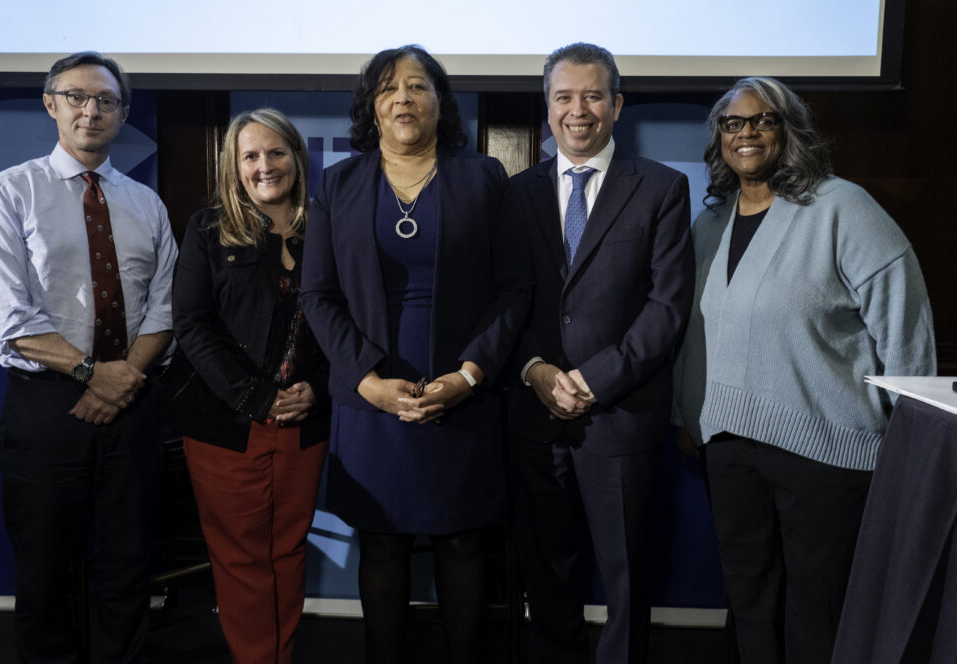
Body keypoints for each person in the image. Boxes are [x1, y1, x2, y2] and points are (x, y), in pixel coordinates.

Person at [672, 76, 935, 664]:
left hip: (826, 453)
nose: (746, 133)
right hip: (727, 449)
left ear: (789, 131)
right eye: (732, 123)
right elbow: (691, 332)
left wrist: (913, 431)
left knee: (818, 610)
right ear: (719, 138)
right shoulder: (708, 225)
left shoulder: (842, 206)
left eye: (762, 120)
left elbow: (903, 320)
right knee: (748, 600)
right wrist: (682, 413)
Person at [299, 45, 531, 664]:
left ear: (439, 102)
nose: (403, 98)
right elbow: (317, 295)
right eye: (387, 88)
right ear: (371, 106)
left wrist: (470, 375)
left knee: (461, 543)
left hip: (462, 391)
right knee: (380, 546)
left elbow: (513, 289)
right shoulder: (338, 184)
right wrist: (366, 380)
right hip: (370, 394)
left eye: (418, 86)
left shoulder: (483, 177)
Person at [0, 51, 177, 662]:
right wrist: (92, 373)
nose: (91, 110)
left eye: (106, 100)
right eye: (77, 96)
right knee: (45, 575)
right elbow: (7, 315)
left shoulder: (147, 204)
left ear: (122, 113)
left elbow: (164, 311)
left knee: (128, 568)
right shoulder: (9, 191)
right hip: (46, 407)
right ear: (51, 104)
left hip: (132, 403)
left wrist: (120, 381)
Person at [506, 42, 694, 664]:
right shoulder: (516, 192)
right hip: (535, 418)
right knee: (547, 576)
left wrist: (590, 381)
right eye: (564, 97)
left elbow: (666, 309)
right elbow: (505, 300)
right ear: (547, 109)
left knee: (627, 581)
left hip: (620, 415)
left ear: (616, 105)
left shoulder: (663, 188)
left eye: (592, 96)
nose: (577, 110)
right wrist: (536, 370)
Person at [169, 108, 329, 664]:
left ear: (297, 157)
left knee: (287, 552)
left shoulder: (329, 228)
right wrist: (254, 397)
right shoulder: (208, 230)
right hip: (227, 425)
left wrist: (319, 388)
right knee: (241, 559)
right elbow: (191, 325)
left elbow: (348, 322)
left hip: (305, 423)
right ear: (233, 167)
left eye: (277, 152)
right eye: (251, 156)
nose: (266, 166)